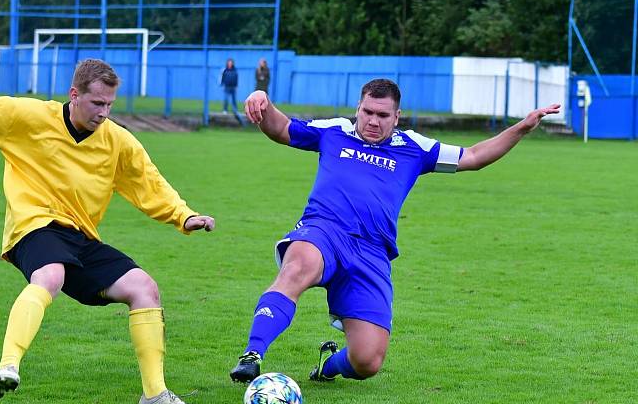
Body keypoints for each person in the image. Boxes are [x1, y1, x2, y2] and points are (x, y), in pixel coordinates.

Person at [0, 59, 215, 404]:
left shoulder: (118, 141)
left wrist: (183, 216)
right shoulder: (29, 118)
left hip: (80, 236)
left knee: (144, 288)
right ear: (74, 94)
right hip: (32, 225)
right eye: (97, 103)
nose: (104, 112)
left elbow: (149, 183)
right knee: (51, 274)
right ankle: (8, 365)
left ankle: (155, 395)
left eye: (110, 104)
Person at [229, 78, 560, 384]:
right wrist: (263, 102)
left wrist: (521, 128)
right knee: (298, 265)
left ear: (397, 116)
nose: (373, 121)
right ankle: (253, 354)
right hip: (324, 230)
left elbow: (473, 156)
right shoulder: (335, 131)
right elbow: (282, 128)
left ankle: (328, 365)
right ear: (358, 108)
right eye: (367, 112)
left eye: (382, 115)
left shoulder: (414, 148)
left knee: (367, 361)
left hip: (372, 252)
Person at [220, 58, 242, 125]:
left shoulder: (235, 70)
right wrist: (222, 84)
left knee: (234, 100)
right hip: (227, 87)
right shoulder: (225, 70)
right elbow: (222, 78)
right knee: (226, 99)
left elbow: (236, 78)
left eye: (231, 62)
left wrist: (236, 86)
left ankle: (235, 110)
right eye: (229, 62)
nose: (230, 64)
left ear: (232, 63)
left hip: (233, 87)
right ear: (227, 63)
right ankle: (225, 110)